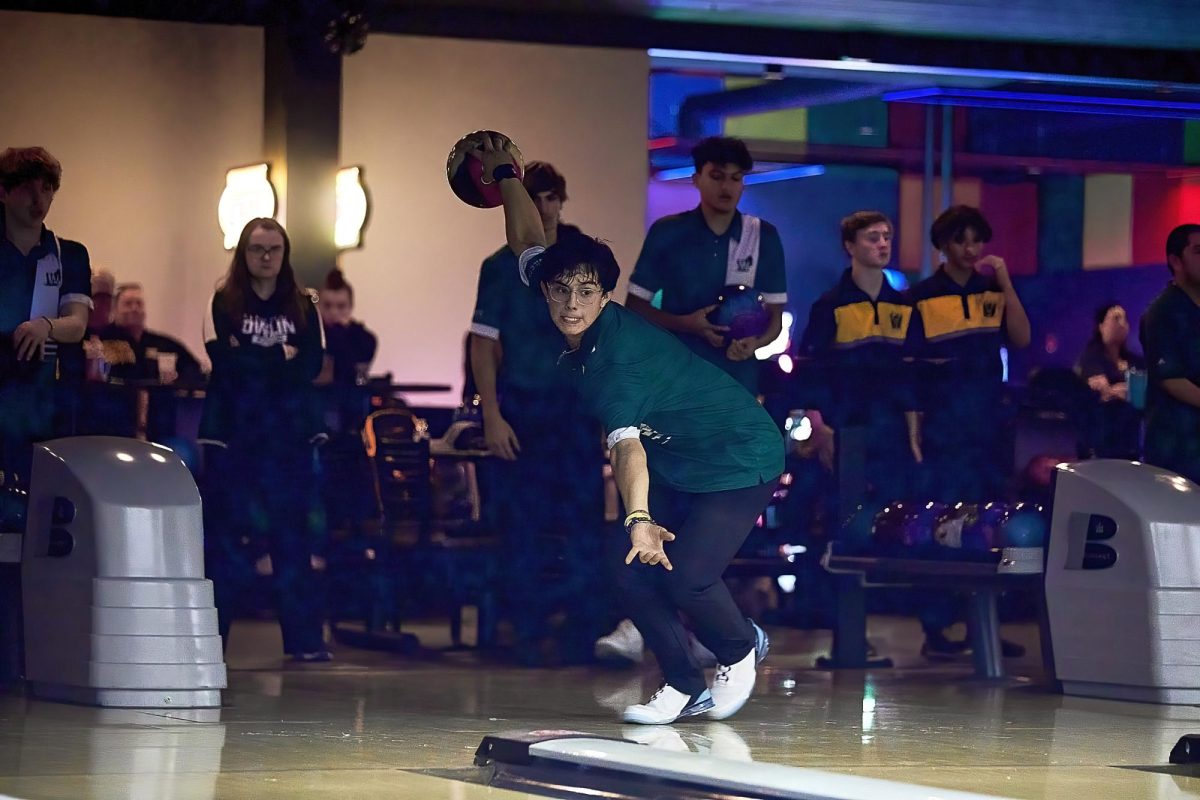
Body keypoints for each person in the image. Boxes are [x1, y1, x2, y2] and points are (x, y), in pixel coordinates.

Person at [481, 135, 781, 724]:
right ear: (544, 288)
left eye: (587, 292)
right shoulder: (561, 298)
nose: (572, 303)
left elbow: (625, 450)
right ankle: (682, 684)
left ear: (605, 295)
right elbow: (527, 241)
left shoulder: (616, 363)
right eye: (561, 290)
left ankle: (742, 646)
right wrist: (505, 179)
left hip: (738, 455)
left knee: (689, 577)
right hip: (681, 458)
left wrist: (639, 519)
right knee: (625, 571)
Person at [468, 161, 607, 665]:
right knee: (522, 525)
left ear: (561, 202)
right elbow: (483, 345)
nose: (543, 206)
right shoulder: (498, 267)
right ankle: (525, 631)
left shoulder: (582, 258)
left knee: (583, 524)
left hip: (576, 408)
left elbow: (606, 338)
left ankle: (581, 632)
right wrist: (492, 417)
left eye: (550, 197)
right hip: (524, 407)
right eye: (533, 198)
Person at [199, 218, 329, 662]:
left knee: (291, 542)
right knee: (228, 544)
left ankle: (304, 643)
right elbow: (225, 362)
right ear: (244, 253)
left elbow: (311, 363)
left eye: (274, 249)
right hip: (234, 439)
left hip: (288, 440)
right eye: (257, 249)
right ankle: (213, 643)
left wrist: (254, 356)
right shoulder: (222, 300)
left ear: (285, 253)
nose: (267, 257)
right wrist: (280, 356)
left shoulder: (304, 304)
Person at [907, 205, 1031, 658]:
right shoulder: (922, 296)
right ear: (943, 246)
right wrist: (916, 427)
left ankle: (987, 626)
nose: (970, 249)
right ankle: (936, 629)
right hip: (944, 425)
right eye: (961, 241)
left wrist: (1006, 283)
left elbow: (1020, 337)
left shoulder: (991, 293)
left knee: (990, 523)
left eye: (977, 240)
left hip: (987, 424)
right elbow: (912, 371)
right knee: (940, 522)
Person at [625, 136, 787, 394]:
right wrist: (686, 324)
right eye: (717, 176)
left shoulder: (762, 235)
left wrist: (754, 343)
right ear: (696, 178)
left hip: (737, 381)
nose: (727, 186)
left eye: (736, 178)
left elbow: (775, 319)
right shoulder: (668, 232)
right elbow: (634, 308)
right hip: (676, 375)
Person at [799, 211, 916, 504]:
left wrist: (914, 433)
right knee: (848, 511)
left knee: (893, 514)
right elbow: (812, 371)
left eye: (887, 237)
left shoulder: (902, 306)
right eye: (873, 238)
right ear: (850, 246)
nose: (883, 245)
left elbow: (912, 375)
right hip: (847, 424)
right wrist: (819, 426)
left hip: (892, 428)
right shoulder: (831, 305)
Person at [0, 146, 91, 478]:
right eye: (27, 188)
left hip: (46, 405)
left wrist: (45, 325)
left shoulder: (69, 254)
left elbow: (77, 323)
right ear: (4, 191)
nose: (39, 200)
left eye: (47, 189)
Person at [315, 268, 378, 533]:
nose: (334, 312)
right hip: (324, 414)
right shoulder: (314, 338)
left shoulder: (363, 338)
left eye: (341, 306)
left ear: (350, 307)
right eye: (328, 306)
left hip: (350, 416)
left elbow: (358, 358)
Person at [1140, 223, 1200, 484]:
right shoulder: (1162, 312)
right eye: (1199, 251)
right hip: (1177, 445)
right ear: (1175, 261)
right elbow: (1171, 378)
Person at [1076, 303, 1144, 460]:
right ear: (1101, 326)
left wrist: (1126, 391)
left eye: (1124, 319)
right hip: (1101, 436)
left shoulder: (1135, 361)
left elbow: (1144, 393)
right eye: (1116, 318)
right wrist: (1123, 391)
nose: (1121, 324)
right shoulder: (1091, 358)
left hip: (1130, 438)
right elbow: (1101, 389)